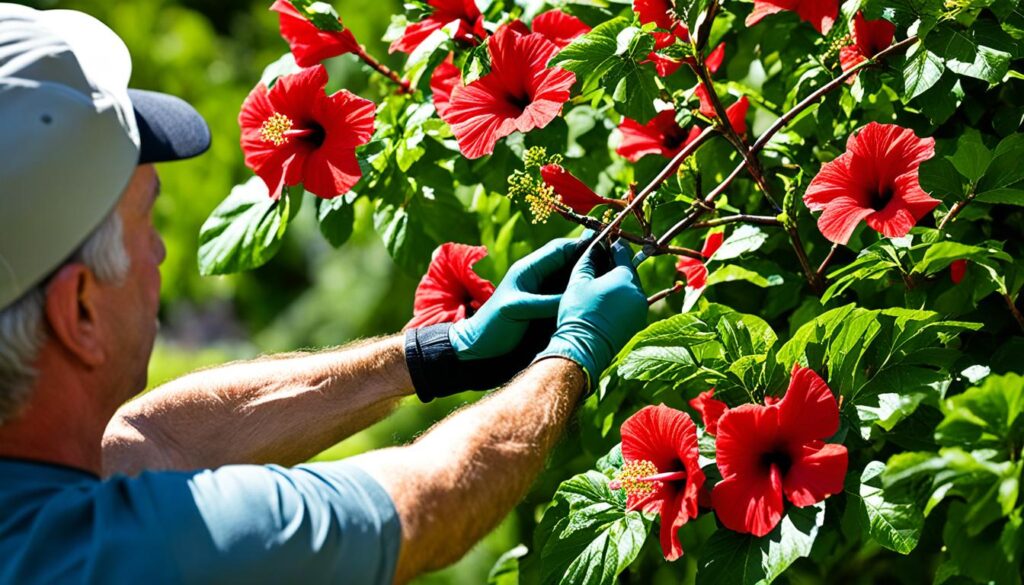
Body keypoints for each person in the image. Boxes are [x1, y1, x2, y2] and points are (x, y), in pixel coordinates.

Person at [0, 5, 649, 584]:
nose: (160, 251)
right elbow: (430, 501)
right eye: (146, 221)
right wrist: (573, 353)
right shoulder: (135, 552)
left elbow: (155, 442)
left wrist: (442, 352)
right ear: (79, 307)